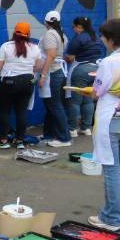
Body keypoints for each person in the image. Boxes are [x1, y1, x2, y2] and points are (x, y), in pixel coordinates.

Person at [77, 20, 120, 232]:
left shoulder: (109, 62)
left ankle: (111, 218)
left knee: (111, 169)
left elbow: (97, 91)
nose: (103, 42)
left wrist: (88, 90)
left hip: (111, 116)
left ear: (112, 40)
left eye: (104, 38)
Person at [0, 22, 41, 149]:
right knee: (22, 111)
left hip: (8, 82)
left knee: (4, 110)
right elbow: (38, 66)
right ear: (28, 34)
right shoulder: (35, 48)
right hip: (27, 82)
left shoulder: (6, 46)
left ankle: (3, 141)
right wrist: (28, 70)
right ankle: (20, 140)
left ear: (14, 32)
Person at [64, 16, 105, 136]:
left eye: (74, 27)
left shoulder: (79, 38)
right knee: (88, 101)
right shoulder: (96, 37)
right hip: (95, 70)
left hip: (80, 69)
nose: (74, 29)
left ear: (80, 27)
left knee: (75, 101)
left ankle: (72, 129)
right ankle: (86, 128)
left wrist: (62, 57)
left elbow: (70, 56)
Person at [38, 10, 72, 147]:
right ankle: (49, 134)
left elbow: (51, 56)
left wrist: (43, 75)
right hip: (59, 71)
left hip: (53, 73)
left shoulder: (50, 34)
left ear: (46, 22)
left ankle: (64, 138)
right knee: (51, 105)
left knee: (55, 105)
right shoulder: (61, 34)